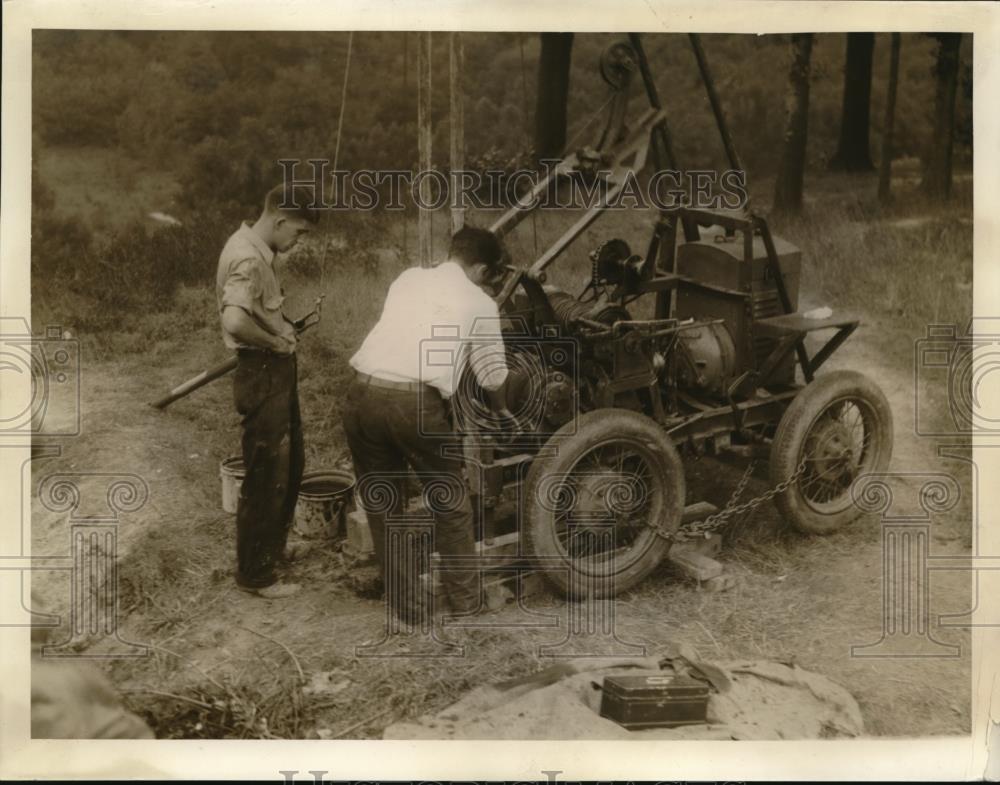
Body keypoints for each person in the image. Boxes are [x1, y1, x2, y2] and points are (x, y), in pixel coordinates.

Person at [342, 226, 514, 625]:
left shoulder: (408, 278)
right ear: (481, 269)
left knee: (385, 506)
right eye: (493, 276)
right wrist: (503, 412)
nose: (492, 284)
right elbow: (492, 375)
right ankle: (467, 606)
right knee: (450, 502)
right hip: (411, 404)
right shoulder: (480, 302)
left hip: (359, 396)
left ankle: (410, 613)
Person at [217, 184, 319, 598]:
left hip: (273, 371)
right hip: (262, 372)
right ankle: (255, 575)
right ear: (279, 220)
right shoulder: (248, 257)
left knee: (290, 464)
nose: (299, 241)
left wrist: (284, 327)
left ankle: (270, 552)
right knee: (267, 472)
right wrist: (277, 343)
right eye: (298, 232)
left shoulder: (255, 248)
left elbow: (256, 312)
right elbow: (235, 321)